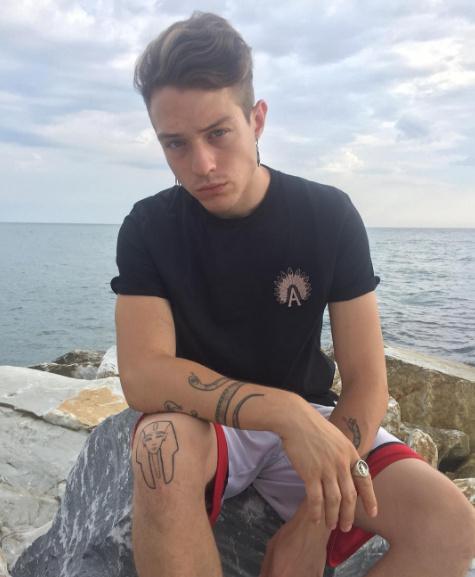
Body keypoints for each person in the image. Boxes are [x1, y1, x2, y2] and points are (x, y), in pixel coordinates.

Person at [110, 11, 475, 577]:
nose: (201, 165)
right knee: (160, 446)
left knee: (452, 525)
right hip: (206, 424)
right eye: (175, 144)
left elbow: (366, 380)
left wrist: (314, 521)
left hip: (312, 419)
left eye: (218, 133)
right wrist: (282, 411)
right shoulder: (149, 227)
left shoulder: (326, 216)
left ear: (256, 119)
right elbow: (143, 375)